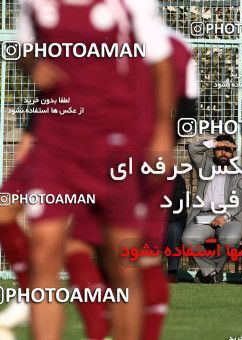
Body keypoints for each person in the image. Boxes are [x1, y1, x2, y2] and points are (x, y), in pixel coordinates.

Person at [7, 1, 175, 339]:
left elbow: (160, 62)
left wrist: (160, 135)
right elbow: (25, 49)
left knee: (122, 262)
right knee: (44, 250)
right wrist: (34, 65)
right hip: (57, 141)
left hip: (114, 143)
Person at [182, 135, 242, 284]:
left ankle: (208, 273)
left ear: (233, 152)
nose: (224, 153)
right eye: (220, 149)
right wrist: (214, 142)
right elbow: (193, 149)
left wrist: (225, 216)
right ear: (214, 150)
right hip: (204, 215)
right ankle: (213, 272)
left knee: (230, 239)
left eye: (228, 150)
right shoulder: (205, 165)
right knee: (188, 239)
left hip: (231, 217)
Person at [164, 173, 188, 283]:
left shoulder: (177, 179)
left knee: (174, 229)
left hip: (172, 220)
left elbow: (179, 208)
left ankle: (172, 272)